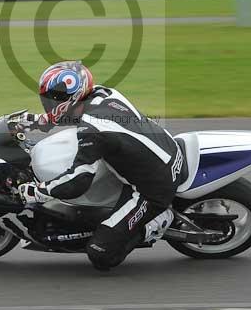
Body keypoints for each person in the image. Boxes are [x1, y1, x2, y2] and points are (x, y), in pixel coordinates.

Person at [11, 61, 184, 270]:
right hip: (162, 151)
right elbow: (73, 115)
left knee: (100, 253)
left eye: (53, 98)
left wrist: (39, 192)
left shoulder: (93, 131)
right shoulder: (103, 94)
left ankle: (158, 220)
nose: (48, 102)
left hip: (153, 187)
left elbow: (78, 181)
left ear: (72, 98)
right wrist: (36, 121)